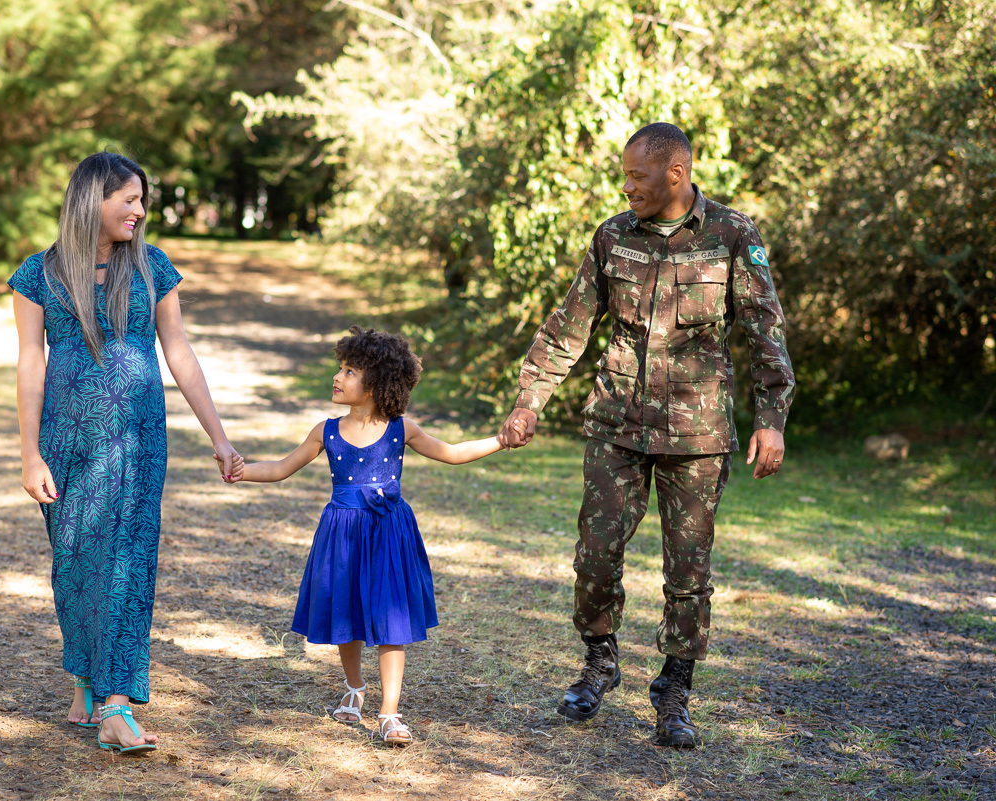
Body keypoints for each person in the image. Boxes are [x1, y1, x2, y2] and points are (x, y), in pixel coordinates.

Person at [498, 123, 795, 748]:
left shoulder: (732, 235)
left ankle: (674, 690)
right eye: (625, 175)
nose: (627, 186)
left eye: (637, 176)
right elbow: (569, 326)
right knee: (595, 554)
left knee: (688, 572)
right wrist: (529, 401)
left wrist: (771, 420)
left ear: (676, 173)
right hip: (617, 424)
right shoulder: (613, 236)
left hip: (698, 434)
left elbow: (765, 330)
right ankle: (599, 661)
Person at [9, 152, 243, 754]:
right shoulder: (38, 274)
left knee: (126, 562)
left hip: (137, 439)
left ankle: (116, 705)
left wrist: (219, 437)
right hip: (66, 439)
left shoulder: (151, 266)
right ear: (94, 199)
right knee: (75, 560)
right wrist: (30, 454)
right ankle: (86, 683)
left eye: (142, 199)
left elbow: (179, 352)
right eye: (129, 199)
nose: (139, 210)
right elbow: (31, 363)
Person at [224, 326, 506, 746]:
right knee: (348, 612)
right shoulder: (325, 431)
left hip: (388, 533)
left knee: (392, 622)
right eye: (340, 368)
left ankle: (389, 713)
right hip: (342, 534)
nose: (337, 377)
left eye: (349, 371)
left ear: (376, 382)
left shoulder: (401, 429)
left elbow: (452, 453)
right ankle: (355, 687)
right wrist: (242, 471)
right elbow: (282, 468)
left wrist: (501, 440)